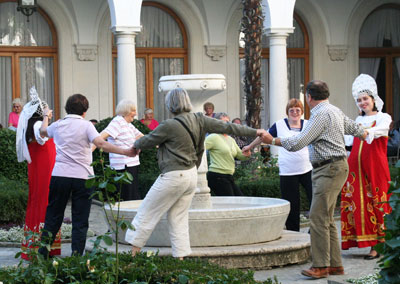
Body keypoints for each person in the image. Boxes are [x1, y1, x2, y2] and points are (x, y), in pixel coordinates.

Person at [125, 88, 265, 259]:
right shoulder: (199, 119)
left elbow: (147, 141)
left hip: (174, 176)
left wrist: (135, 144)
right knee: (178, 219)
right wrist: (255, 131)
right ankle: (181, 259)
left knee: (146, 211)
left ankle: (131, 256)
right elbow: (229, 126)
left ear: (170, 104)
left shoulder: (168, 125)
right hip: (191, 175)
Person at [259, 80, 367, 279]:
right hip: (334, 167)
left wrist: (273, 140)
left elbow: (299, 141)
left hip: (328, 169)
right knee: (325, 218)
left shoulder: (319, 114)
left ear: (309, 97)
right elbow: (354, 128)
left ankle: (320, 266)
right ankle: (335, 265)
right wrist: (366, 132)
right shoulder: (334, 110)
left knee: (317, 217)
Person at [37, 94, 135, 258]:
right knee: (80, 219)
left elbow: (42, 131)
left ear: (66, 108)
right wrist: (126, 151)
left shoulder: (59, 124)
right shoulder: (87, 126)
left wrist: (46, 116)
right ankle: (76, 258)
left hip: (60, 176)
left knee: (53, 216)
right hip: (83, 178)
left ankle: (42, 255)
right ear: (85, 111)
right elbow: (101, 144)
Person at [341, 74, 392, 260]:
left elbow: (382, 131)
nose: (363, 103)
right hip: (355, 167)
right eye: (359, 100)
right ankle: (363, 241)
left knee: (378, 201)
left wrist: (365, 131)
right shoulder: (356, 119)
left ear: (373, 100)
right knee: (358, 201)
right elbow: (348, 143)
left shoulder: (383, 117)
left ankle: (380, 244)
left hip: (375, 166)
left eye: (365, 99)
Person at [244, 98, 313, 232]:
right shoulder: (280, 125)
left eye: (297, 110)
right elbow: (263, 136)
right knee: (292, 204)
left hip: (307, 169)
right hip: (288, 172)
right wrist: (250, 146)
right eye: (291, 110)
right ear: (287, 112)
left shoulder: (309, 125)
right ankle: (294, 233)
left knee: (315, 200)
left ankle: (314, 229)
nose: (294, 112)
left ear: (302, 112)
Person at [15, 89, 60, 260]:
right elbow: (42, 137)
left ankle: (42, 244)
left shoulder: (37, 125)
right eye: (47, 109)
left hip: (44, 168)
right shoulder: (37, 125)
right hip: (42, 169)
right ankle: (39, 244)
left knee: (43, 200)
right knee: (42, 200)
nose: (50, 112)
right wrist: (47, 117)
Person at [98, 100, 144, 200]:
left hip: (131, 165)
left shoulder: (128, 125)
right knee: (127, 197)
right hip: (123, 167)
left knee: (132, 196)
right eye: (133, 110)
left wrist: (158, 143)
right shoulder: (118, 122)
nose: (135, 113)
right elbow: (101, 137)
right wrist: (89, 151)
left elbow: (143, 138)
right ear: (126, 110)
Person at [205, 113, 250, 196]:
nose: (228, 124)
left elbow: (239, 155)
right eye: (225, 122)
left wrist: (246, 154)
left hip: (229, 176)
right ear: (217, 123)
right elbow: (199, 149)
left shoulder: (231, 139)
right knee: (231, 204)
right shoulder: (213, 137)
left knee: (240, 200)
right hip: (217, 176)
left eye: (228, 122)